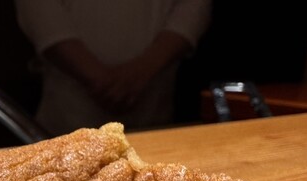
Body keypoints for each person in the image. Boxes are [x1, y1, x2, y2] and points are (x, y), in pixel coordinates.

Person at [14, 0, 212, 135]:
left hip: (157, 120)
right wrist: (98, 78)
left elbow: (194, 7)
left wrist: (142, 71)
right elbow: (38, 10)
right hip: (66, 120)